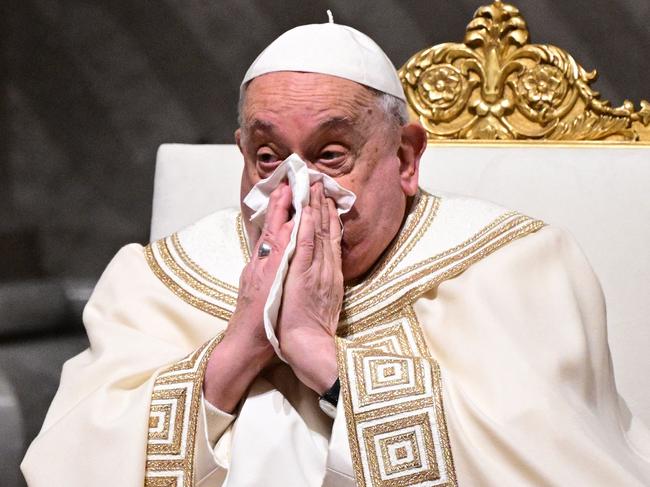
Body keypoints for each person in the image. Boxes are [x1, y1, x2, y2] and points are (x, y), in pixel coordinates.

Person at [22, 20, 650, 487]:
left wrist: (317, 353)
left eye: (330, 157)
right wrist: (240, 348)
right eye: (268, 159)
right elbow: (72, 461)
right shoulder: (156, 279)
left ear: (404, 159)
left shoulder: (515, 264)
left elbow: (551, 463)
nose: (295, 189)